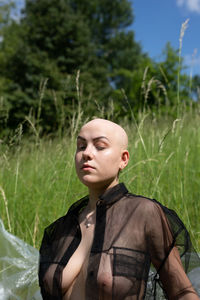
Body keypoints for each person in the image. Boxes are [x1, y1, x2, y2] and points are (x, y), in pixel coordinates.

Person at [38, 118, 200, 300]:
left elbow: (181, 292)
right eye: (81, 146)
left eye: (99, 146)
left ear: (123, 159)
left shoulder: (143, 213)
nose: (87, 154)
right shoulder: (60, 230)